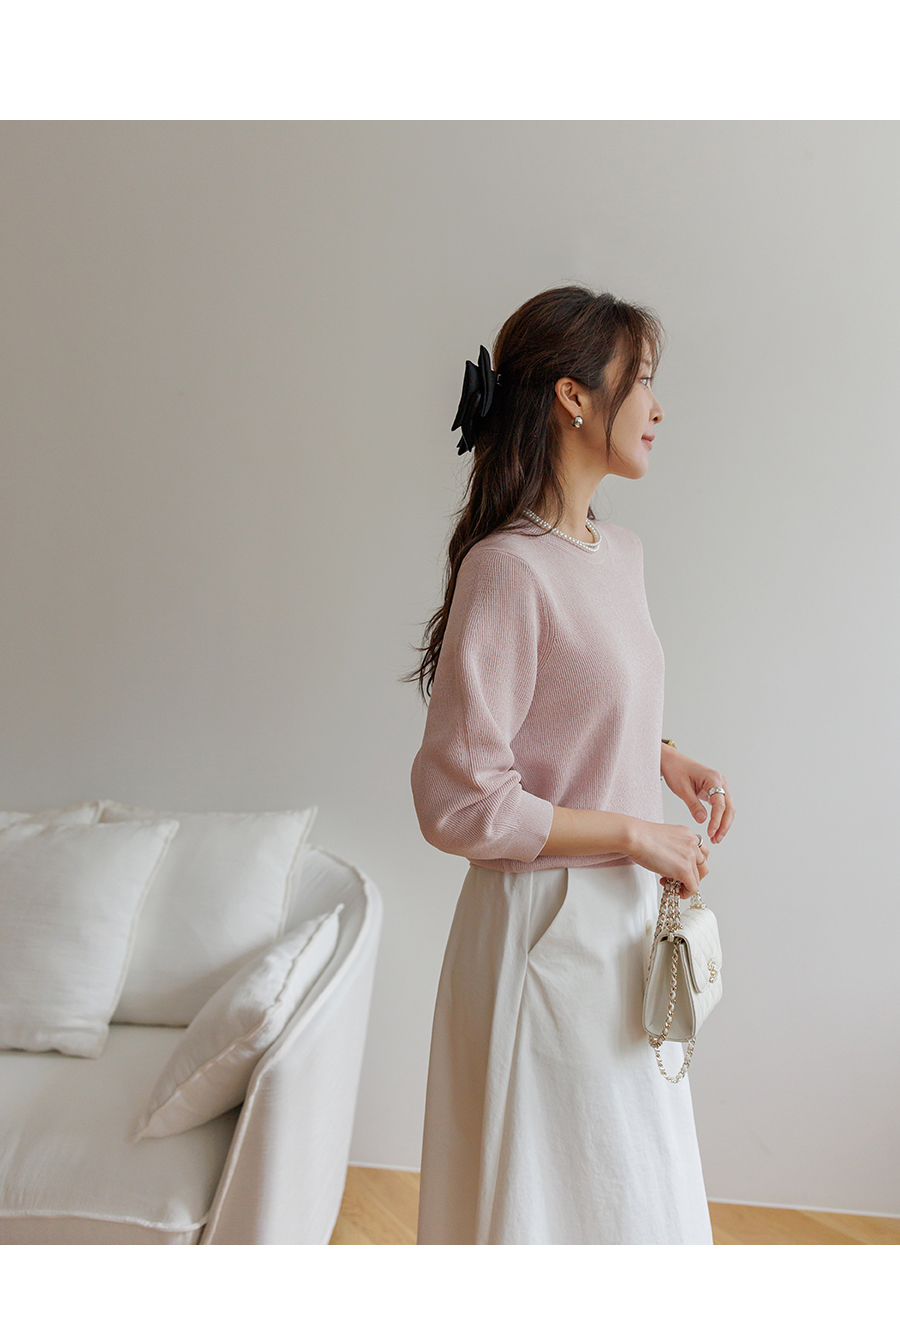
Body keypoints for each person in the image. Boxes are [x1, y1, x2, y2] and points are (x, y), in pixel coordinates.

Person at [405, 284, 735, 1245]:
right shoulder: (507, 568)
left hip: (619, 926)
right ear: (574, 397)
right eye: (644, 381)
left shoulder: (617, 552)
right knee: (561, 1204)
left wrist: (661, 756)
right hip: (542, 929)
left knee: (632, 1194)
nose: (658, 407)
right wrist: (635, 834)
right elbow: (462, 800)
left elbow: (573, 696)